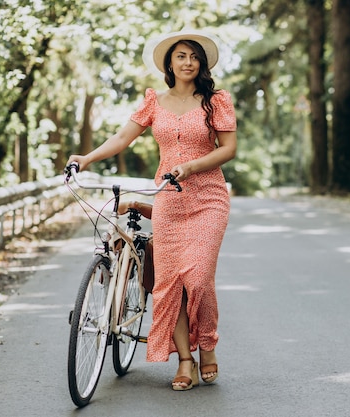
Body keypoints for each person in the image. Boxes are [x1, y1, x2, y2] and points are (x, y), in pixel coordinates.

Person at [66, 29, 237, 391]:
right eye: (181, 56)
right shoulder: (153, 102)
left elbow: (228, 148)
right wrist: (87, 158)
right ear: (169, 64)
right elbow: (121, 138)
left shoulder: (215, 100)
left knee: (200, 278)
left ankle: (206, 344)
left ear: (201, 64)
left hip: (208, 197)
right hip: (169, 200)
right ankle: (185, 360)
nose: (188, 62)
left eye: (194, 57)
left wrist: (192, 166)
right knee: (169, 283)